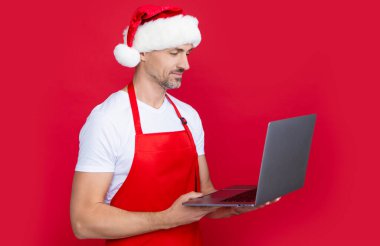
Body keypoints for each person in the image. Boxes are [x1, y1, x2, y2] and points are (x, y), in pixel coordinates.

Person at [70, 4, 279, 246]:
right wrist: (166, 219)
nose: (185, 65)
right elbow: (83, 221)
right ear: (143, 52)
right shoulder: (108, 119)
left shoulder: (188, 115)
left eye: (187, 53)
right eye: (174, 53)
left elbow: (205, 199)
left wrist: (239, 205)